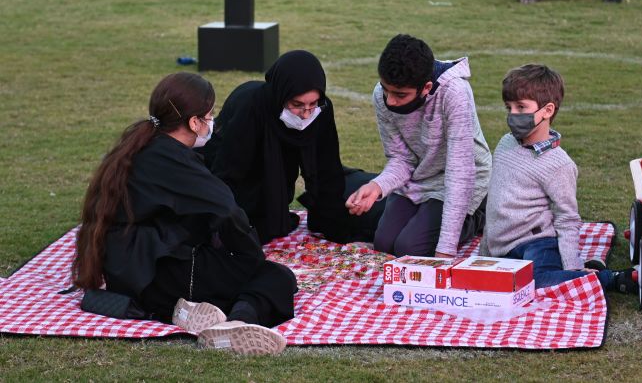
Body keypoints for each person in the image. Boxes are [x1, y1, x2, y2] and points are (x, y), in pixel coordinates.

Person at [72, 72, 297, 355]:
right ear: (194, 122)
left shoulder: (142, 145)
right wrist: (250, 256)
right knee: (275, 276)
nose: (212, 123)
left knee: (227, 269)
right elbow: (226, 210)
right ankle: (238, 322)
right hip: (153, 271)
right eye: (209, 115)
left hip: (128, 270)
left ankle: (184, 310)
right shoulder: (170, 158)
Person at [200, 50, 384, 245]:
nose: (306, 114)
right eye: (297, 104)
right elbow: (228, 173)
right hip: (239, 182)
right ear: (281, 95)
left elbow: (326, 168)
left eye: (312, 104)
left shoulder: (321, 109)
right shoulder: (251, 107)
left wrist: (333, 226)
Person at [482, 64, 636, 292]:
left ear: (547, 110)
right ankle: (586, 270)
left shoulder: (559, 164)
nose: (513, 115)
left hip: (537, 243)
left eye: (521, 107)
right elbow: (494, 202)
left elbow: (567, 218)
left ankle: (611, 279)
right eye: (509, 107)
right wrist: (483, 255)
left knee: (537, 283)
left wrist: (573, 266)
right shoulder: (505, 143)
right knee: (497, 284)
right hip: (501, 247)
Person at [346, 34, 492, 258]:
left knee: (411, 248)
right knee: (384, 243)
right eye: (386, 89)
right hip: (420, 177)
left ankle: (478, 214)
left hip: (462, 178)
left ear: (426, 87)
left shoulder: (455, 93)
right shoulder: (381, 95)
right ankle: (428, 215)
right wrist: (377, 186)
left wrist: (445, 249)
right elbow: (401, 159)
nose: (390, 100)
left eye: (400, 94)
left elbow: (460, 171)